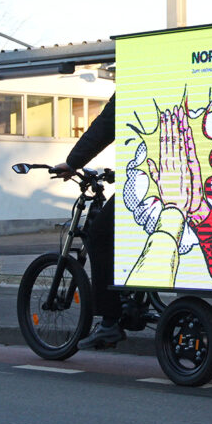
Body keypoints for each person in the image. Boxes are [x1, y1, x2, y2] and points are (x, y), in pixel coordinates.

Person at [53, 93, 124, 349]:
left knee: (100, 234)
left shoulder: (137, 72)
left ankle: (109, 323)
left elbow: (108, 122)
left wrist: (73, 162)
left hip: (154, 178)